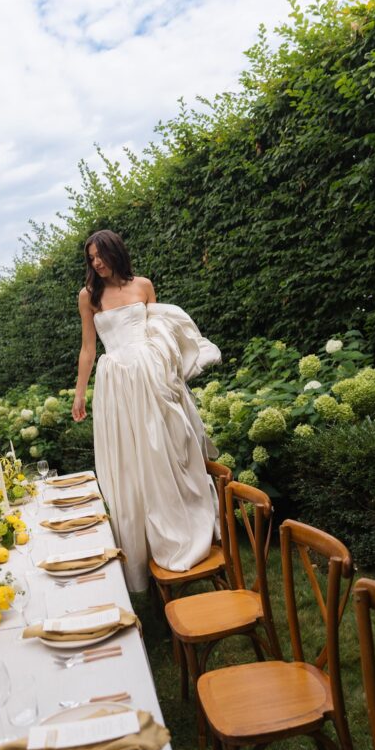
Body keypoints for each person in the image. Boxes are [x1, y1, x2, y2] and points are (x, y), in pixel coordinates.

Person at [72, 229, 221, 593]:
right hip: (116, 384)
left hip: (151, 378)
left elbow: (161, 333)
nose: (96, 262)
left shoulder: (143, 286)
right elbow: (88, 349)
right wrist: (80, 394)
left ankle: (182, 530)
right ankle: (141, 556)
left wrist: (168, 371)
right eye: (91, 258)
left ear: (115, 252)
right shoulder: (88, 297)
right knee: (129, 463)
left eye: (100, 255)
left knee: (166, 450)